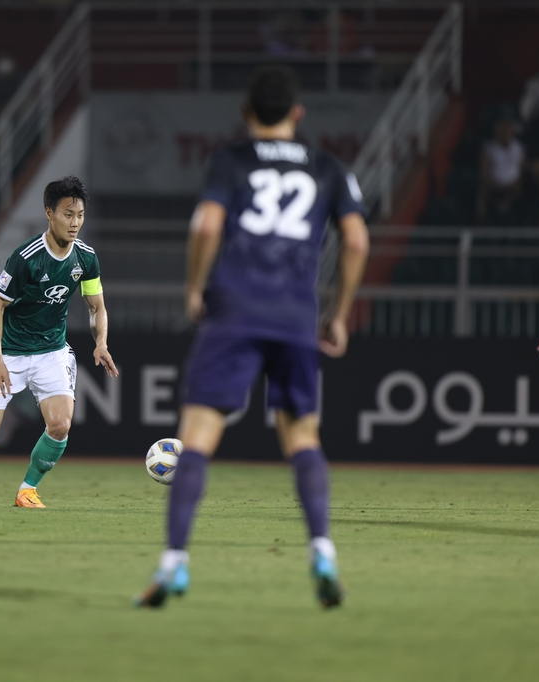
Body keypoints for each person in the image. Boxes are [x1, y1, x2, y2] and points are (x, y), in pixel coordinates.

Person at [134, 65, 369, 609]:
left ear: (245, 114)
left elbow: (207, 227)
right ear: (297, 114)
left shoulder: (230, 160)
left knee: (196, 438)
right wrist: (338, 312)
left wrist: (194, 288)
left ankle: (174, 563)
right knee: (303, 439)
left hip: (234, 312)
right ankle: (322, 551)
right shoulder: (328, 166)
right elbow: (356, 241)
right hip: (294, 317)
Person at [0, 176, 118, 508]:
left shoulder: (86, 258)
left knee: (60, 424)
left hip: (52, 351)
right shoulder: (25, 258)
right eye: (68, 214)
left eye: (80, 214)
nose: (75, 222)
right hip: (9, 352)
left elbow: (97, 306)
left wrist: (101, 343)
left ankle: (27, 489)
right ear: (49, 214)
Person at [476, 113, 525, 225]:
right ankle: (480, 223)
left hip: (513, 186)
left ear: (512, 131)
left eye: (508, 129)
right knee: (483, 192)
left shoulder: (519, 148)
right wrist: (495, 184)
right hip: (494, 185)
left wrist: (515, 184)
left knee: (515, 192)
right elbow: (484, 173)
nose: (505, 133)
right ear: (497, 131)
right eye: (502, 129)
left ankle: (511, 220)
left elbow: (522, 172)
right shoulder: (489, 148)